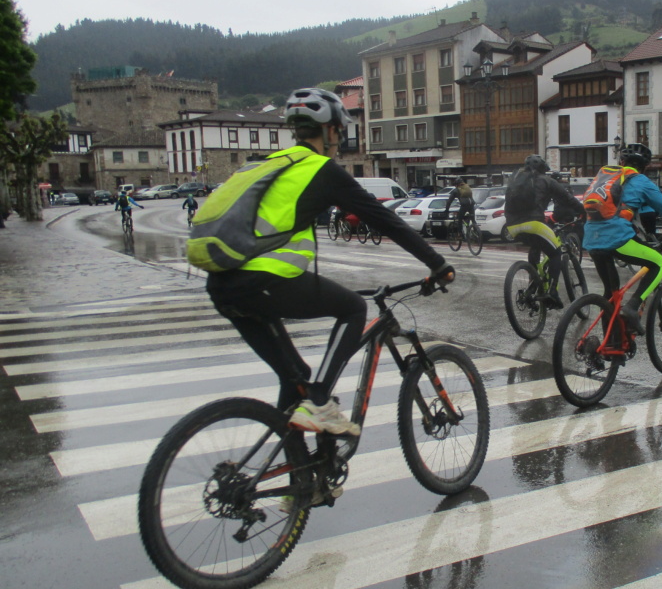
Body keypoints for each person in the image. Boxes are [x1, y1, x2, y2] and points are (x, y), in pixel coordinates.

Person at [204, 87, 454, 438]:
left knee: (296, 380)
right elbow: (384, 219)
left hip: (222, 285)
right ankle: (320, 403)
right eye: (340, 131)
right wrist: (437, 263)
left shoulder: (269, 165)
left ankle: (297, 480)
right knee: (353, 307)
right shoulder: (320, 169)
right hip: (263, 280)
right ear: (332, 131)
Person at [583, 144, 662, 336]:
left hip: (591, 239)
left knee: (610, 293)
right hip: (618, 239)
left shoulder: (605, 178)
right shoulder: (641, 181)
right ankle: (632, 307)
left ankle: (611, 343)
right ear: (645, 167)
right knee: (659, 262)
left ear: (622, 162)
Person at [504, 154, 584, 309]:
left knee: (537, 245)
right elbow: (568, 199)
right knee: (555, 253)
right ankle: (552, 292)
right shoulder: (547, 181)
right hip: (533, 223)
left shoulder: (515, 180)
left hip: (512, 226)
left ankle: (533, 284)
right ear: (543, 169)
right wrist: (583, 212)